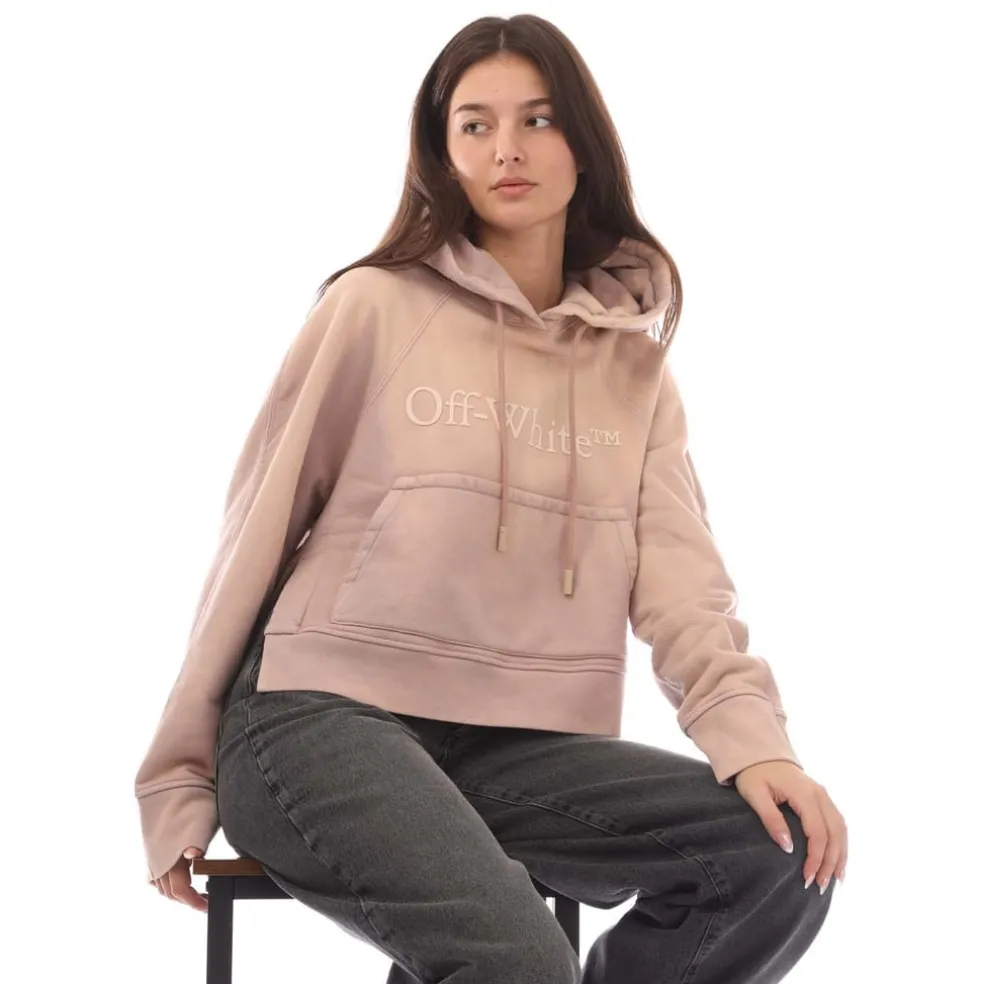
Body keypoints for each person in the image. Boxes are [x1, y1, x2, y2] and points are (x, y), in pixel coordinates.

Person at [135, 13, 846, 983]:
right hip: (316, 720)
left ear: (584, 146)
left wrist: (756, 745)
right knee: (519, 963)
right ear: (444, 155)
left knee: (773, 858)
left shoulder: (634, 374)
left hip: (508, 748)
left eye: (538, 120)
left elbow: (686, 588)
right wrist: (178, 777)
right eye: (475, 125)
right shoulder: (373, 306)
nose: (507, 148)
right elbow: (251, 536)